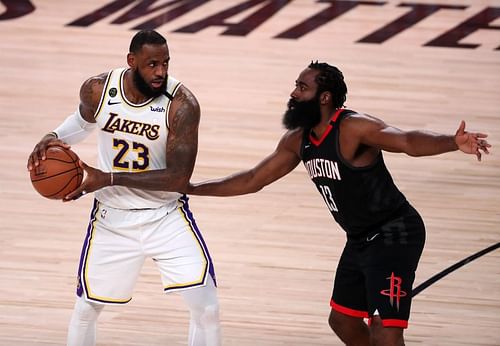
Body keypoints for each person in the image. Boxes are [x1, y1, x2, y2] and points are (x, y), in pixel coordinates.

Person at [185, 62, 491, 345]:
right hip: (359, 239)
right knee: (343, 321)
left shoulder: (353, 128)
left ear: (325, 97)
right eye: (296, 85)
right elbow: (253, 179)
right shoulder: (297, 140)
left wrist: (452, 142)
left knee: (386, 331)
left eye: (302, 88)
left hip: (394, 233)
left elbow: (407, 141)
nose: (293, 93)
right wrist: (193, 188)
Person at [27, 30, 221, 346]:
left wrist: (109, 178)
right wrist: (53, 136)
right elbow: (82, 122)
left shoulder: (182, 105)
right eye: (152, 64)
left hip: (165, 216)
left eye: (166, 63)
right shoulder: (98, 90)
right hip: (112, 219)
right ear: (131, 61)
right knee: (87, 308)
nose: (161, 72)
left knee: (207, 307)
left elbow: (178, 178)